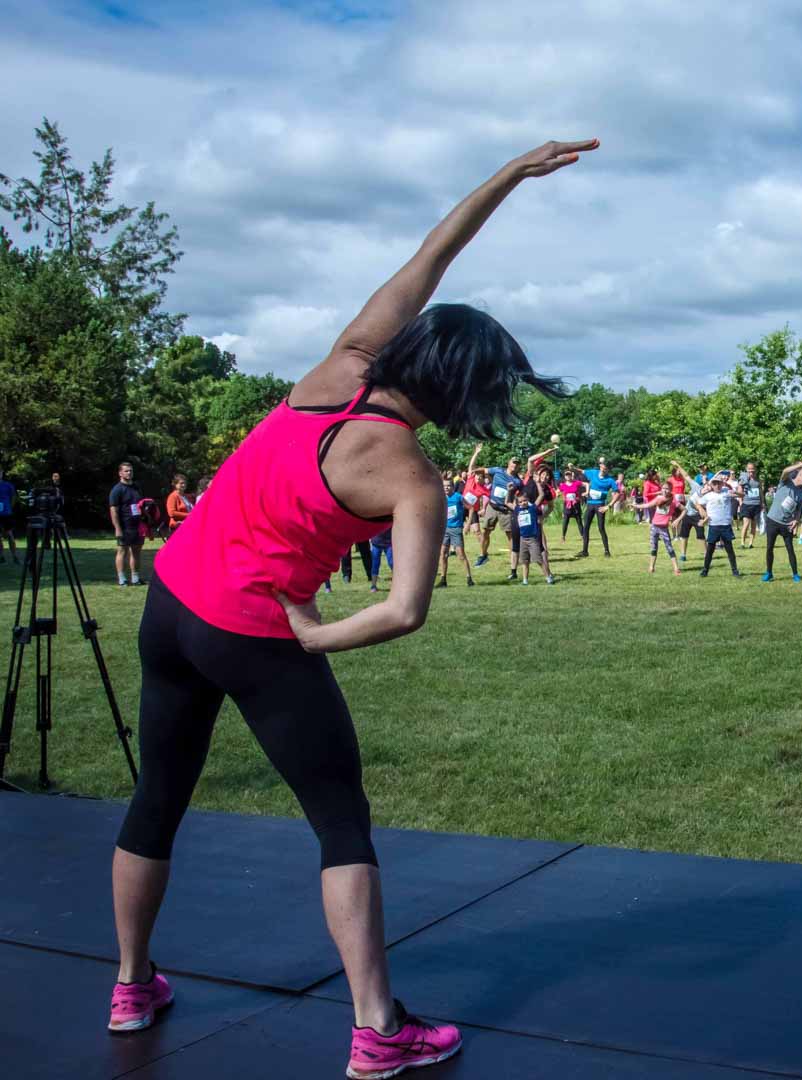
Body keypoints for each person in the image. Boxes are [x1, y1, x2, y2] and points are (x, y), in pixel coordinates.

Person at [108, 137, 593, 1077]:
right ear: (464, 392)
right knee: (340, 824)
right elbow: (406, 609)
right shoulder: (410, 474)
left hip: (170, 604)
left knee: (156, 797)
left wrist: (506, 174)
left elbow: (430, 257)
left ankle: (131, 985)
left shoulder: (341, 367)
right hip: (256, 630)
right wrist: (318, 633)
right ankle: (377, 1029)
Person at [763, 462, 802, 582]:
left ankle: (795, 574)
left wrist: (796, 520)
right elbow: (785, 471)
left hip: (786, 524)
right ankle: (769, 573)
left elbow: (799, 510)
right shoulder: (786, 483)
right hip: (773, 520)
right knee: (769, 548)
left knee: (790, 549)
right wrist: (800, 465)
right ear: (799, 476)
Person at [696, 475, 742, 577]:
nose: (717, 485)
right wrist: (704, 514)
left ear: (722, 484)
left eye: (719, 483)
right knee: (710, 550)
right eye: (715, 483)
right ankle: (705, 570)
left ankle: (735, 571)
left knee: (729, 549)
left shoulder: (727, 492)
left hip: (725, 525)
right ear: (712, 485)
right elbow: (698, 504)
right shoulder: (708, 496)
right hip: (713, 525)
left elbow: (742, 495)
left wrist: (735, 492)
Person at [108, 462, 146, 586]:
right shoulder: (117, 489)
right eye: (126, 471)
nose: (129, 473)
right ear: (120, 473)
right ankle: (122, 578)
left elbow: (141, 504)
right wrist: (117, 528)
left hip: (138, 525)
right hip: (125, 526)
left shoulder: (136, 487)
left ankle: (135, 578)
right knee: (122, 551)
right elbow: (113, 510)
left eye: (131, 471)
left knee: (136, 551)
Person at [437, 476, 475, 587]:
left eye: (448, 486)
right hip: (444, 529)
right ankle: (443, 580)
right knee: (443, 554)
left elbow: (471, 508)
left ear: (453, 487)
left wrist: (468, 524)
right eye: (444, 486)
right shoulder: (441, 498)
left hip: (456, 529)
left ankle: (469, 578)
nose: (446, 488)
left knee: (460, 554)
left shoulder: (458, 497)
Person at [577, 455, 617, 557]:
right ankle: (585, 551)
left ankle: (607, 551)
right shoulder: (593, 473)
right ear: (600, 466)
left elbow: (617, 493)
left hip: (600, 505)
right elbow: (581, 471)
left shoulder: (610, 480)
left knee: (601, 528)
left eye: (606, 467)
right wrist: (572, 468)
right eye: (603, 466)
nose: (604, 468)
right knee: (586, 527)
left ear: (608, 469)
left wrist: (609, 506)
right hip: (590, 505)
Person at [511, 487, 551, 585]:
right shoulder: (517, 510)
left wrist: (537, 483)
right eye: (520, 502)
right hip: (522, 539)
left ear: (528, 500)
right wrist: (509, 491)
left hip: (533, 539)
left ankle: (548, 577)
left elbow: (541, 495)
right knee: (524, 561)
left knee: (538, 560)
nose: (523, 503)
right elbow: (506, 502)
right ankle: (525, 580)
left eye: (525, 500)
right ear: (518, 503)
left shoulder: (532, 508)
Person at [639, 480, 680, 575]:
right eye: (663, 488)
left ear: (671, 490)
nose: (664, 490)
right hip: (654, 527)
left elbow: (685, 510)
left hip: (664, 528)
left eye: (667, 489)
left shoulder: (673, 501)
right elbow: (647, 505)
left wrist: (677, 520)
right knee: (653, 547)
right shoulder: (658, 498)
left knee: (669, 548)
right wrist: (636, 505)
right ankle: (651, 567)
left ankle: (676, 568)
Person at [737, 462, 764, 547]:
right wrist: (740, 503)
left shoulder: (758, 480)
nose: (751, 472)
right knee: (746, 524)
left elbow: (761, 493)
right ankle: (742, 543)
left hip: (756, 505)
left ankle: (750, 543)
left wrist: (762, 503)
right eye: (749, 470)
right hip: (746, 504)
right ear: (746, 470)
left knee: (753, 525)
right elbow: (739, 492)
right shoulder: (743, 480)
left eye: (752, 470)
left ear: (755, 470)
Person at [556, 467, 585, 540]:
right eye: (566, 475)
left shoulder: (576, 483)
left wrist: (587, 492)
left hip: (575, 505)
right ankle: (563, 537)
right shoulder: (563, 485)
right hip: (567, 505)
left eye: (569, 475)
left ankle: (583, 536)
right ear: (565, 477)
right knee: (565, 521)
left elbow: (587, 484)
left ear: (571, 475)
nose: (568, 476)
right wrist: (557, 494)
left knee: (579, 521)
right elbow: (557, 491)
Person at [0, 466, 16, 562]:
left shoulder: (8, 485)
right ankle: (1, 556)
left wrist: (10, 507)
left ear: (2, 473)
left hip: (6, 513)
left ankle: (14, 556)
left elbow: (13, 497)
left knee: (10, 534)